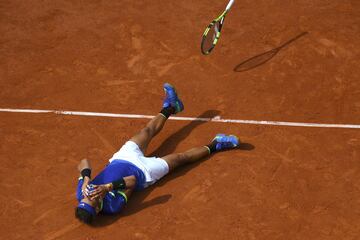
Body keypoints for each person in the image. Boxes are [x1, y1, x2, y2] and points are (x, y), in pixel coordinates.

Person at [75, 83, 239, 224]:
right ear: (97, 209)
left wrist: (86, 177)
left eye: (85, 198)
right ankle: (216, 144)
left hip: (121, 158)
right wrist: (107, 187)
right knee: (181, 158)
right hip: (145, 171)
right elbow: (132, 181)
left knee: (147, 130)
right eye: (91, 200)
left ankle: (171, 106)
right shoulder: (112, 206)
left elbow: (83, 161)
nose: (89, 196)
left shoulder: (82, 191)